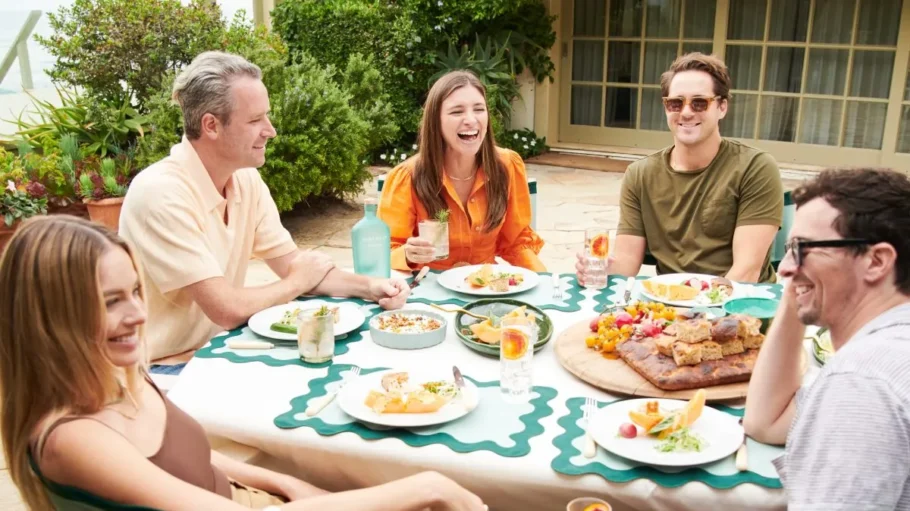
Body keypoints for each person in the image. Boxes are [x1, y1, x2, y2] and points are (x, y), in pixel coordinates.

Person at [0, 215, 487, 511]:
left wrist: (286, 482)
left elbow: (192, 459)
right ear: (50, 317)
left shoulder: (117, 377)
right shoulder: (72, 439)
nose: (138, 314)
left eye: (134, 291)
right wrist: (422, 488)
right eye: (110, 302)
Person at [120, 51, 410, 362]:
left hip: (216, 352)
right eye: (255, 120)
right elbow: (227, 308)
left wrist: (372, 287)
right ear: (211, 125)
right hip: (159, 368)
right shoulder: (161, 193)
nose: (270, 130)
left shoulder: (245, 179)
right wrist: (296, 282)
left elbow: (294, 265)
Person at [743, 168, 910, 509]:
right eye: (788, 248)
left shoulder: (860, 383)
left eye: (802, 247)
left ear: (876, 261)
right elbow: (765, 422)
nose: (784, 268)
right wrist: (801, 287)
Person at [576, 53, 783, 284]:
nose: (686, 112)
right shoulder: (640, 175)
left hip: (740, 300)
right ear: (666, 108)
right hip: (671, 298)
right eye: (676, 103)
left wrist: (698, 304)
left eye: (699, 102)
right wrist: (603, 269)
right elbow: (627, 262)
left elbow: (746, 272)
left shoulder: (755, 168)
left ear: (722, 107)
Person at [378, 70, 546, 272]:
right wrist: (407, 254)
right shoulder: (407, 177)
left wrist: (544, 280)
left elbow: (516, 242)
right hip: (426, 284)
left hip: (485, 284)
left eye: (479, 109)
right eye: (457, 112)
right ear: (435, 120)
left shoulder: (507, 165)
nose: (471, 120)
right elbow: (384, 251)